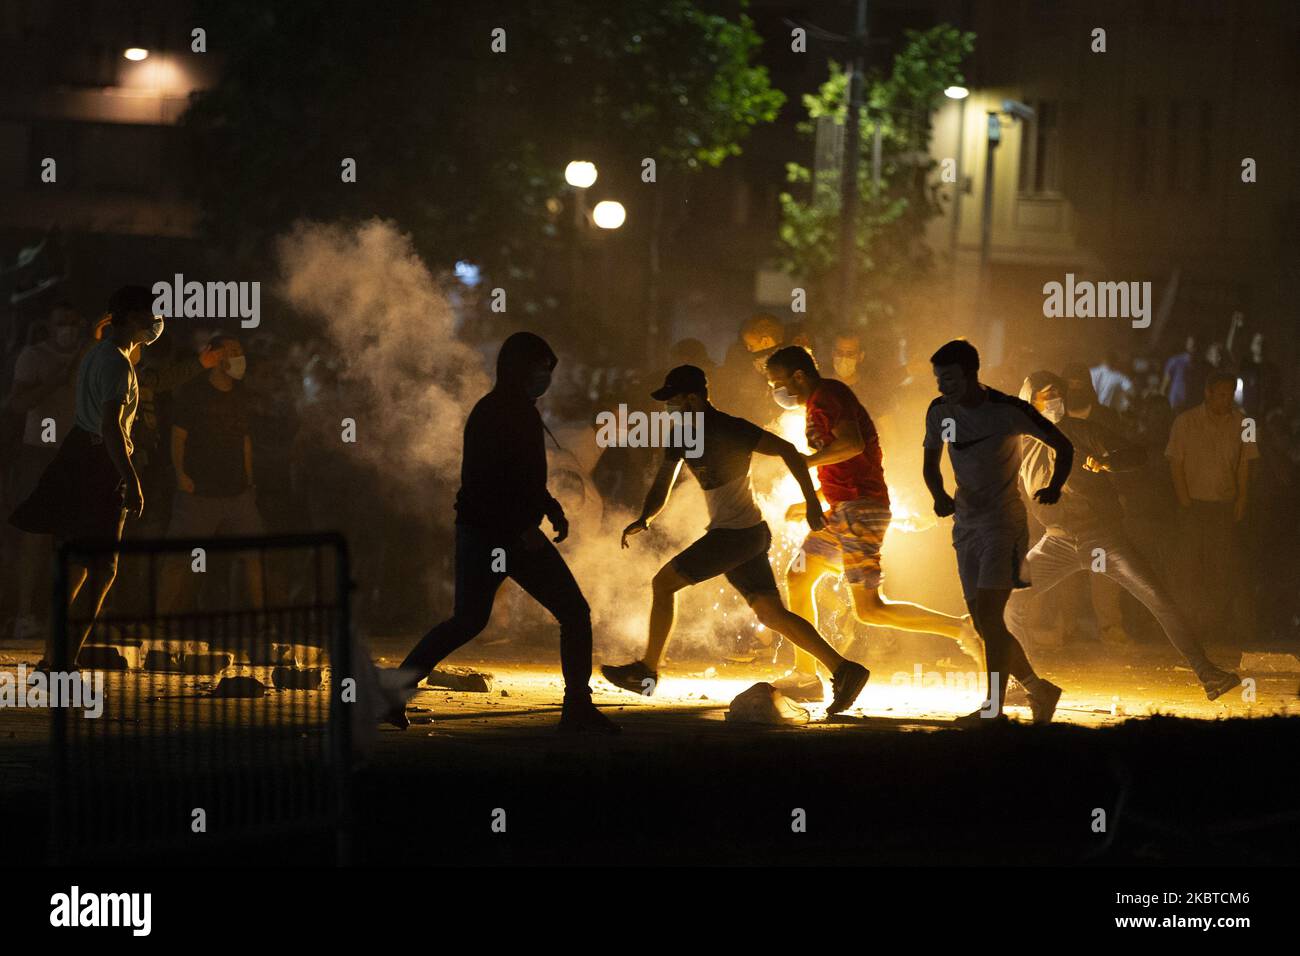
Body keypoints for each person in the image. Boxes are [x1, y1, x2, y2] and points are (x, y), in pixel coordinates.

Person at [602, 364, 870, 714]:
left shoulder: (731, 428)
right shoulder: (682, 434)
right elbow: (663, 482)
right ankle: (844, 670)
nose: (670, 407)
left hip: (737, 535)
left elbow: (789, 451)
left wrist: (811, 501)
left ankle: (646, 673)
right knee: (772, 613)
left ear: (694, 398)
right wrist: (646, 517)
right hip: (745, 534)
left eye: (675, 400)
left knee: (663, 584)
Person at [389, 332, 618, 734]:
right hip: (505, 534)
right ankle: (578, 708)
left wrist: (549, 507)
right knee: (574, 611)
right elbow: (495, 481)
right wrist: (524, 528)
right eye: (542, 369)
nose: (546, 378)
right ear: (520, 368)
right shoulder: (504, 413)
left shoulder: (508, 409)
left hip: (485, 531)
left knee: (468, 620)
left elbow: (521, 477)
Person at [763, 345, 976, 701]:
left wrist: (806, 463)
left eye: (777, 382)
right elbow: (842, 463)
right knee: (798, 579)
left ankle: (964, 630)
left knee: (870, 609)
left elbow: (852, 444)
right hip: (841, 511)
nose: (775, 391)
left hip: (861, 511)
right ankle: (806, 675)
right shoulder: (818, 402)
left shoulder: (828, 395)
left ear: (798, 376)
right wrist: (811, 499)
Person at [1009, 371, 1239, 699]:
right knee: (1009, 599)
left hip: (1103, 539)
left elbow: (1137, 454)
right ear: (1028, 402)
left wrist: (1107, 462)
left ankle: (1209, 674)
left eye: (1057, 393)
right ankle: (1024, 684)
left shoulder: (1083, 431)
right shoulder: (1020, 446)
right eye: (1045, 396)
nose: (1054, 402)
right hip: (1057, 542)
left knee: (1159, 600)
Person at [9, 286, 165, 668]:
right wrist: (130, 477)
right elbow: (111, 425)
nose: (157, 322)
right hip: (99, 463)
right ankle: (63, 660)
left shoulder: (100, 353)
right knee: (102, 568)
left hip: (77, 455)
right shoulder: (114, 362)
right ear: (131, 317)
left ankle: (52, 659)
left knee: (75, 566)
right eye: (151, 314)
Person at [922, 340, 1071, 724]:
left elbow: (1063, 446)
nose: (943, 386)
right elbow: (930, 463)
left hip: (1003, 526)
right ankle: (1039, 689)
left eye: (950, 378)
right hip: (966, 527)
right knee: (983, 622)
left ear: (971, 373)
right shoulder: (940, 412)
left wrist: (1053, 487)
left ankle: (993, 710)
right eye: (939, 379)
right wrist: (938, 494)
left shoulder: (1009, 410)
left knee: (990, 617)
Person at [156, 334, 266, 614]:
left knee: (254, 556)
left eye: (240, 349)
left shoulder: (242, 394)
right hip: (199, 491)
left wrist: (250, 480)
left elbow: (245, 441)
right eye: (232, 350)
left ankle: (264, 621)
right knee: (179, 559)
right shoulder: (194, 393)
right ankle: (161, 619)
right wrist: (181, 475)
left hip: (237, 492)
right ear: (217, 357)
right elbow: (178, 437)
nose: (239, 356)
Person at [3, 305, 84, 640]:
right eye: (60, 322)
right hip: (39, 453)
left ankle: (61, 616)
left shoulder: (88, 355)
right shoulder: (33, 356)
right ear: (49, 327)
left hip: (75, 454)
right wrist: (55, 380)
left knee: (73, 540)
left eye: (73, 322)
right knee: (34, 539)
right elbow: (17, 403)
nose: (67, 328)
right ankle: (24, 613)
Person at [1165, 371, 1260, 647]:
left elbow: (1245, 464)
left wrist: (1242, 499)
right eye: (1221, 394)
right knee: (1191, 567)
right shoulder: (1185, 422)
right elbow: (1175, 463)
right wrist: (1184, 502)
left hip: (1223, 506)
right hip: (1193, 505)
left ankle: (1216, 627)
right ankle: (1190, 628)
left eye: (1230, 394)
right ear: (1208, 393)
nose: (1226, 399)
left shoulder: (1244, 424)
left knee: (1221, 568)